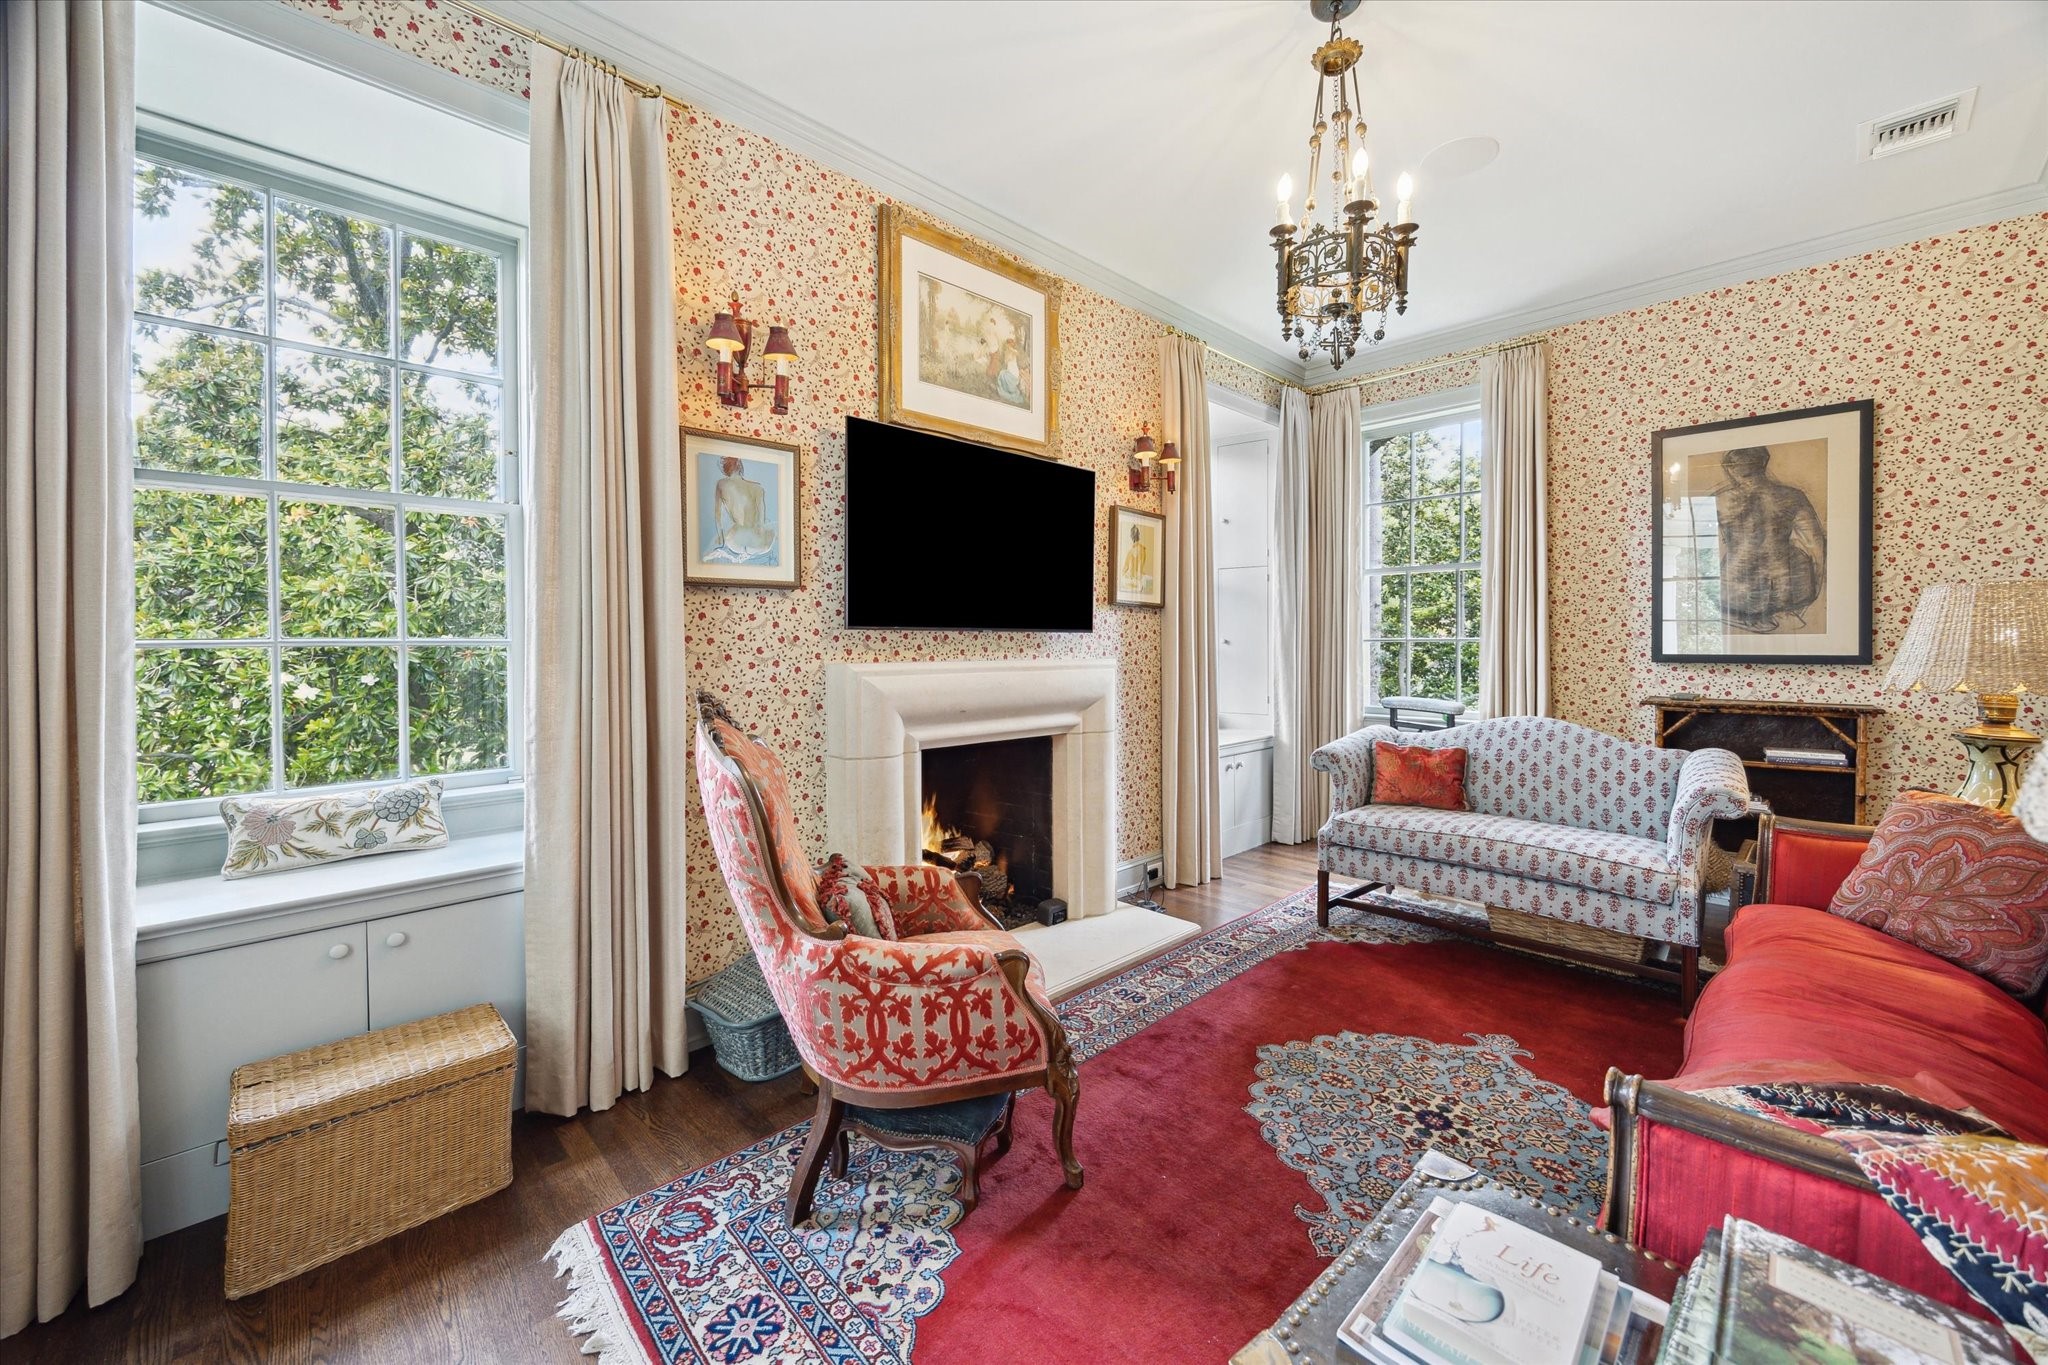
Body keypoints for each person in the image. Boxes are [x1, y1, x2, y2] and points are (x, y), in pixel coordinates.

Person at [1714, 445, 1824, 633]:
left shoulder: (1720, 500)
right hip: (1785, 586)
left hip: (1735, 589)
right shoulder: (1792, 496)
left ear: (1730, 468)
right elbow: (1815, 545)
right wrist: (1816, 584)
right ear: (1764, 463)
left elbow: (1710, 548)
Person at [712, 455, 775, 560]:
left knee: (732, 532)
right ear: (739, 464)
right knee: (772, 530)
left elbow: (718, 515)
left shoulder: (721, 484)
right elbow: (761, 523)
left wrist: (721, 540)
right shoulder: (758, 488)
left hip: (735, 543)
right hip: (757, 544)